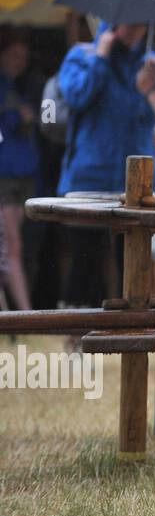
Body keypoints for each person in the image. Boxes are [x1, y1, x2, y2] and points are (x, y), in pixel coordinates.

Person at [57, 22, 155, 311]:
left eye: (140, 24)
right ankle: (77, 332)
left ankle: (130, 330)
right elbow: (75, 97)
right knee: (86, 257)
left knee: (133, 260)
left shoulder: (150, 63)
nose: (134, 30)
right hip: (89, 174)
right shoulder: (82, 55)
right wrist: (100, 57)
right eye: (128, 23)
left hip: (136, 176)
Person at [0, 37, 41, 312]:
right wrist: (18, 118)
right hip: (5, 176)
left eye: (23, 56)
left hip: (21, 175)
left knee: (11, 248)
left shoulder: (17, 87)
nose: (20, 61)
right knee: (10, 247)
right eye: (14, 54)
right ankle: (22, 317)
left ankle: (20, 317)